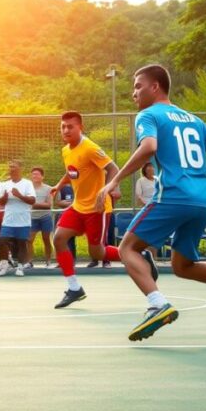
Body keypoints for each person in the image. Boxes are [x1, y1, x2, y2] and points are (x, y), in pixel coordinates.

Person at [97, 64, 206, 341]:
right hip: (203, 202)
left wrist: (114, 180)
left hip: (173, 195)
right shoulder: (192, 119)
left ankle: (158, 304)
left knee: (127, 248)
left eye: (138, 86)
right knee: (183, 265)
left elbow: (149, 148)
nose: (134, 93)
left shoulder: (148, 115)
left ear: (155, 86)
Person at [47, 111, 123, 308]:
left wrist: (107, 189)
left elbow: (113, 168)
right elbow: (71, 170)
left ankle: (135, 255)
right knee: (59, 238)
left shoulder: (90, 147)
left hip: (97, 209)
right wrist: (58, 185)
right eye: (63, 126)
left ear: (80, 127)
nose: (66, 130)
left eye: (70, 126)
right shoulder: (66, 150)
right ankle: (74, 288)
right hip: (78, 206)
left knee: (97, 253)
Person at [0, 160, 36, 276]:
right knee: (2, 241)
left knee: (21, 243)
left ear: (20, 168)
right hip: (8, 219)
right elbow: (1, 202)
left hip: (23, 220)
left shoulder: (27, 183)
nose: (12, 169)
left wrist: (19, 195)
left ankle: (20, 267)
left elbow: (32, 200)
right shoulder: (5, 184)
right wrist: (4, 197)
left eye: (14, 167)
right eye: (10, 167)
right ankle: (4, 265)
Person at [27, 167, 55, 269]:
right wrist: (35, 204)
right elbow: (26, 203)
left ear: (42, 176)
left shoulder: (49, 189)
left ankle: (48, 261)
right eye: (33, 174)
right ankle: (29, 262)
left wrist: (33, 204)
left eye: (37, 174)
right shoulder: (28, 189)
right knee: (29, 240)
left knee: (46, 239)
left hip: (45, 217)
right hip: (32, 217)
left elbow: (48, 205)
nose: (35, 176)